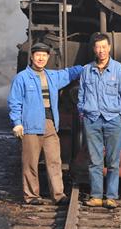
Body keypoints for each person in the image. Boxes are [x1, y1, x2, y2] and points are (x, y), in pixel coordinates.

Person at [8, 42, 83, 205]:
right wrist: (17, 123)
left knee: (54, 160)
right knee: (31, 163)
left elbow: (70, 73)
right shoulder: (21, 78)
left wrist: (90, 66)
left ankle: (58, 194)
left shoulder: (52, 76)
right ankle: (32, 196)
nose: (41, 58)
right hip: (30, 125)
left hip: (50, 124)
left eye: (44, 55)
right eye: (38, 55)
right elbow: (14, 102)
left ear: (48, 57)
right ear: (32, 57)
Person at [77, 33, 121, 209]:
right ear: (94, 49)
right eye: (97, 47)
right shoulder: (87, 70)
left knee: (113, 161)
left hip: (113, 119)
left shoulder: (119, 69)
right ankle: (96, 196)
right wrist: (83, 112)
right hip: (92, 119)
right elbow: (81, 95)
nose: (101, 50)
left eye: (104, 47)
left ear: (109, 48)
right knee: (94, 160)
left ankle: (111, 196)